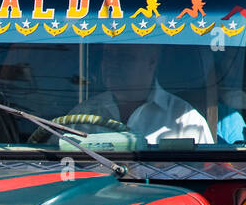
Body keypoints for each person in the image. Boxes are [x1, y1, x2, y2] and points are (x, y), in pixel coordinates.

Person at [70, 45, 213, 145]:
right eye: (108, 55)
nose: (112, 64)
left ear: (152, 61)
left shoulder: (185, 120)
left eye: (124, 57)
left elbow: (206, 174)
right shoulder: (82, 115)